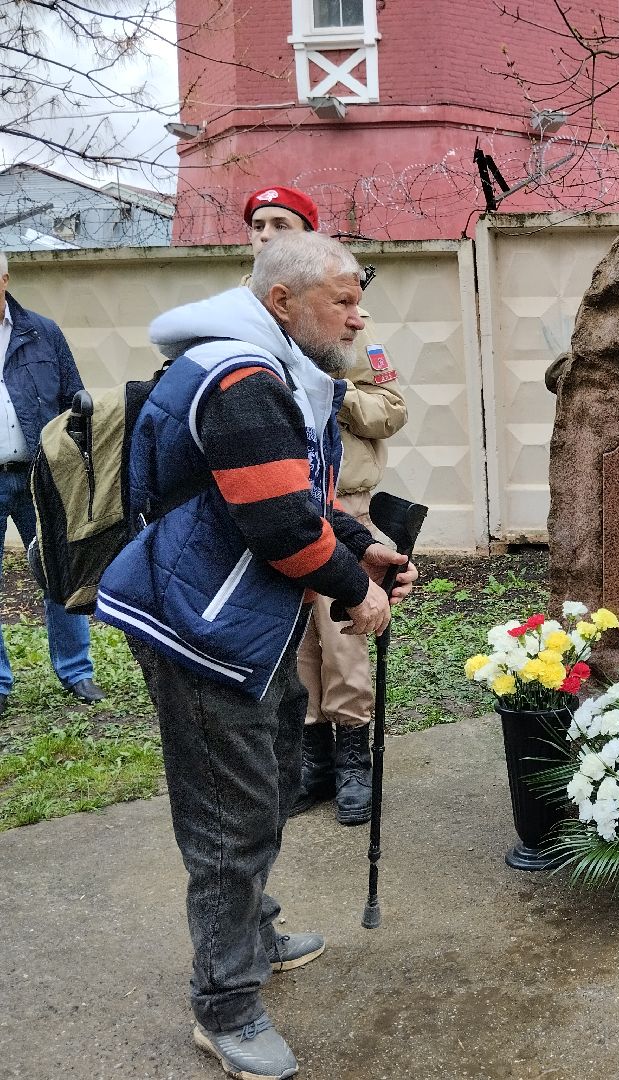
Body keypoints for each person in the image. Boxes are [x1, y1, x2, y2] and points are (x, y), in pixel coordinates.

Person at [95, 232, 417, 1080]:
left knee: (271, 780)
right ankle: (226, 1004)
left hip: (243, 621)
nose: (360, 314)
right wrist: (357, 592)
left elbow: (294, 496)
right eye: (343, 299)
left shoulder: (272, 371)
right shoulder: (241, 378)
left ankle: (255, 933)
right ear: (283, 302)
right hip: (198, 630)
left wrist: (360, 544)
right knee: (228, 825)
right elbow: (275, 526)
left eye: (359, 295)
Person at [240, 184, 410, 824]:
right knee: (299, 647)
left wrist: (331, 394)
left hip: (347, 509)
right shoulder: (246, 328)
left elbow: (391, 410)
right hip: (284, 509)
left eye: (282, 223)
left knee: (343, 640)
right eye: (259, 225)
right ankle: (312, 762)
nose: (267, 234)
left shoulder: (349, 334)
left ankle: (353, 763)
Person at [0, 250, 104, 712]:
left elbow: (71, 395)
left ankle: (76, 671)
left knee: (60, 571)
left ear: (4, 278)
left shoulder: (41, 331)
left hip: (40, 473)